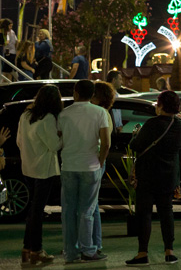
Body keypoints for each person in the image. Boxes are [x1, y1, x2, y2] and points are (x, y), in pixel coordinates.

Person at [125, 89, 181, 266]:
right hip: (169, 175)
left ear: (161, 105)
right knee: (166, 213)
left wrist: (134, 136)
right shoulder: (180, 126)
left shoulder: (152, 124)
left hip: (148, 175)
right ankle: (169, 252)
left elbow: (136, 145)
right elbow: (180, 146)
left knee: (144, 214)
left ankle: (142, 253)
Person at [59, 79, 110, 263]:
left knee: (68, 211)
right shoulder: (99, 112)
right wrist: (100, 161)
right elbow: (106, 142)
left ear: (76, 93)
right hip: (90, 166)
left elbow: (59, 138)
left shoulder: (64, 114)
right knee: (86, 211)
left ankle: (70, 252)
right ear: (92, 94)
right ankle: (88, 250)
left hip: (69, 166)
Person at [16, 84, 62, 266]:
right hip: (44, 170)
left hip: (28, 168)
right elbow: (55, 145)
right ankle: (36, 250)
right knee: (37, 212)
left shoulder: (26, 116)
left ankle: (27, 249)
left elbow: (19, 141)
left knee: (33, 210)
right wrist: (62, 136)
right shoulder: (48, 118)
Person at [89, 81, 116, 254]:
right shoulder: (104, 113)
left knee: (92, 205)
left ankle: (96, 243)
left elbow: (104, 143)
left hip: (96, 160)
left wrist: (99, 161)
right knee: (91, 204)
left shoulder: (101, 114)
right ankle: (93, 243)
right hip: (97, 160)